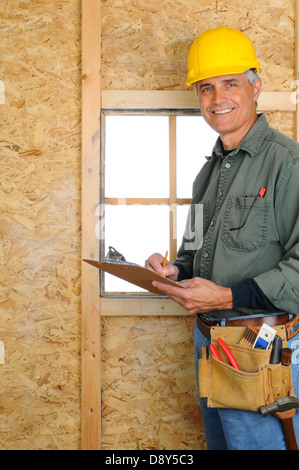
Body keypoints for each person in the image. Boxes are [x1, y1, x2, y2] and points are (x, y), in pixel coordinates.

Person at [145, 26, 299, 450]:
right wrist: (174, 269)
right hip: (209, 340)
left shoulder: (289, 164)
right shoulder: (207, 174)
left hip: (260, 347)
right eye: (206, 88)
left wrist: (228, 297)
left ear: (256, 87)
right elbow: (194, 254)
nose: (218, 99)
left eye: (230, 83)